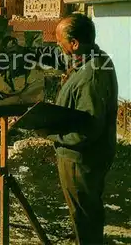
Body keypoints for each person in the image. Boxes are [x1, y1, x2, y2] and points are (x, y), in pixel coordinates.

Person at [38, 14, 118, 244]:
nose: (56, 44)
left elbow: (87, 129)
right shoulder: (93, 58)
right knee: (87, 207)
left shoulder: (91, 75)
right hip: (88, 155)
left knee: (83, 211)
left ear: (74, 44)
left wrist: (47, 131)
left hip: (81, 159)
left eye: (59, 40)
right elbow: (64, 62)